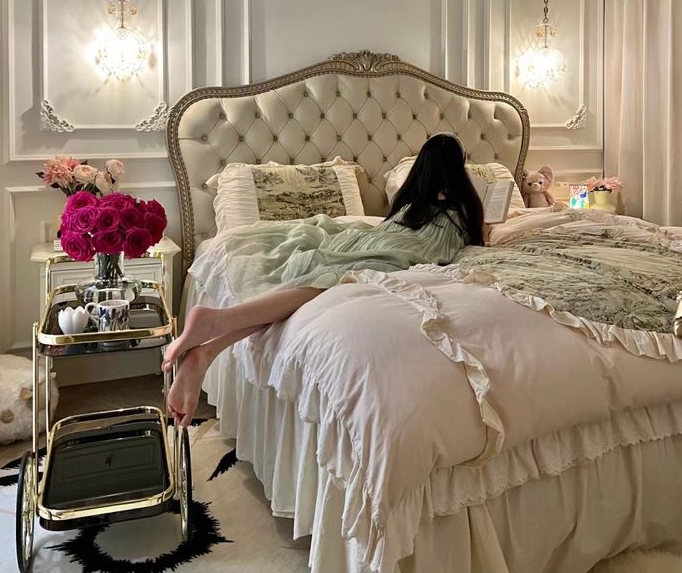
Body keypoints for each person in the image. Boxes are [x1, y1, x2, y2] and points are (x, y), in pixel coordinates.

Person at [164, 134, 485, 425]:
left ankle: (209, 348)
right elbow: (460, 244)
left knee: (320, 281)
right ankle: (215, 328)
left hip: (367, 242)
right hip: (388, 252)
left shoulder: (409, 208)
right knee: (329, 280)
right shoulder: (461, 210)